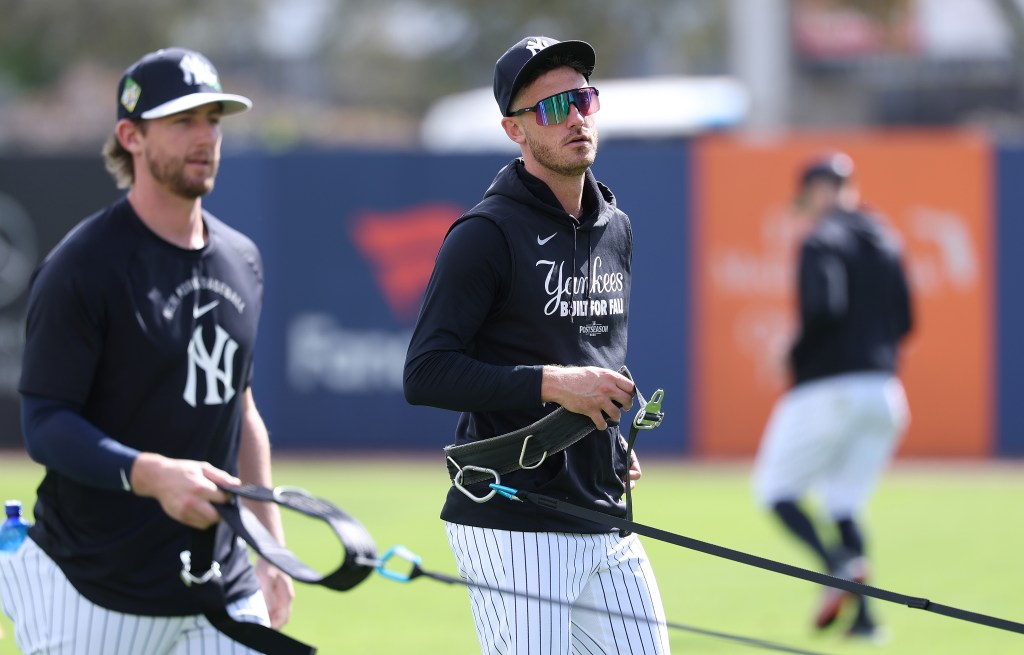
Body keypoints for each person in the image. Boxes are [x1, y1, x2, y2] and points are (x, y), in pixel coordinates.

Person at [0, 47, 294, 654]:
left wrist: (271, 547)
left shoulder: (242, 260)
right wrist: (151, 475)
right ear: (130, 137)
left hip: (220, 583)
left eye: (214, 119)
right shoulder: (82, 266)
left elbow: (240, 409)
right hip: (97, 588)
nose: (205, 137)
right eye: (183, 121)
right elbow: (45, 425)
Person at [404, 36, 670, 655]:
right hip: (511, 516)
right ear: (514, 130)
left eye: (582, 99)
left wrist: (605, 437)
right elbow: (426, 373)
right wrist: (554, 384)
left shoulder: (615, 225)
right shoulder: (484, 234)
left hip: (600, 511)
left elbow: (595, 351)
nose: (575, 117)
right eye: (552, 108)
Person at [752, 152, 913, 642]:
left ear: (814, 193)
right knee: (844, 503)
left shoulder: (820, 237)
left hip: (829, 389)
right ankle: (865, 621)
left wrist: (792, 352)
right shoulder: (887, 240)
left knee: (775, 491)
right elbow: (907, 323)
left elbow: (825, 306)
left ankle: (836, 566)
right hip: (885, 394)